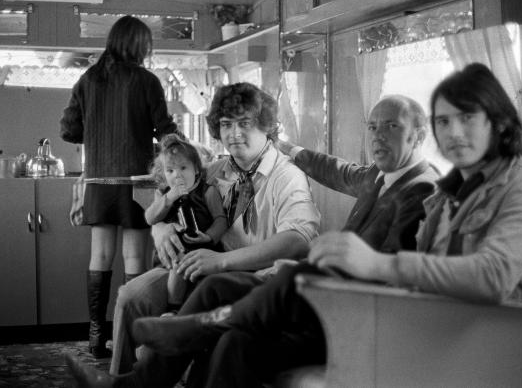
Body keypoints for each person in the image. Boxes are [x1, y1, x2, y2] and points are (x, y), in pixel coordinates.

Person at [72, 62, 522, 388]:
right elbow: (338, 170)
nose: (455, 133)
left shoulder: (508, 190)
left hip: (427, 327)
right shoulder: (441, 189)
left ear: (498, 123)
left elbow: (488, 277)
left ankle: (189, 331)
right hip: (381, 308)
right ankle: (157, 362)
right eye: (446, 121)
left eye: (466, 119)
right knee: (240, 327)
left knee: (282, 277)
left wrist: (369, 265)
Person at [66, 93, 440, 386]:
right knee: (153, 301)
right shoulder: (377, 177)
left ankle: (175, 338)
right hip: (217, 267)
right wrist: (159, 226)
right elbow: (174, 188)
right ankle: (133, 378)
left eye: (391, 126)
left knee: (224, 294)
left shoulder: (418, 191)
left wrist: (309, 269)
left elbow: (310, 241)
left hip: (332, 308)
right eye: (372, 126)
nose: (233, 134)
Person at [105, 82, 321, 375]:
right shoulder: (216, 171)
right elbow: (172, 197)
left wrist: (220, 261)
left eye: (245, 123)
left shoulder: (287, 176)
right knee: (130, 298)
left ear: (266, 126)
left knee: (205, 313)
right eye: (226, 124)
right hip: (196, 264)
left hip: (251, 276)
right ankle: (119, 378)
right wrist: (161, 229)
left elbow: (297, 240)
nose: (234, 134)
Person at [60, 15, 179, 359]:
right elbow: (164, 129)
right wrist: (183, 154)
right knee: (134, 257)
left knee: (99, 256)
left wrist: (97, 130)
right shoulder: (146, 80)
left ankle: (96, 337)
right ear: (139, 45)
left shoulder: (89, 79)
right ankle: (129, 334)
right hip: (136, 183)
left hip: (98, 180)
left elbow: (69, 129)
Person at [145, 134, 228, 316]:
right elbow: (150, 218)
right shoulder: (163, 194)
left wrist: (210, 236)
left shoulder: (208, 191)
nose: (178, 175)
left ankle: (179, 310)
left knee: (188, 266)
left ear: (196, 169)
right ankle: (173, 308)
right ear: (163, 173)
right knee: (178, 264)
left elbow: (221, 220)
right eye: (170, 171)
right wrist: (169, 198)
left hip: (203, 246)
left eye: (183, 168)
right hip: (175, 251)